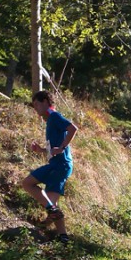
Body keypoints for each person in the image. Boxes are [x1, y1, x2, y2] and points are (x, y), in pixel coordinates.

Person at [22, 90, 78, 243]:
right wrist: (41, 150)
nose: (35, 108)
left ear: (46, 101)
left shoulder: (54, 116)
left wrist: (62, 147)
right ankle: (63, 237)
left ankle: (49, 217)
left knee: (27, 183)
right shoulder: (50, 120)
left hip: (60, 165)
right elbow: (52, 148)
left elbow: (73, 128)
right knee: (53, 206)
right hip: (60, 165)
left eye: (37, 104)